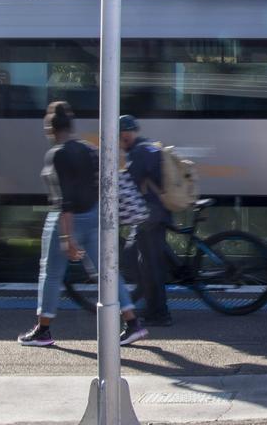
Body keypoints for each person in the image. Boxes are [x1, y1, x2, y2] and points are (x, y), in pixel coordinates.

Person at [19, 102, 147, 347]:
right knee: (107, 273)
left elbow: (65, 198)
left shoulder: (57, 154)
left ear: (50, 128)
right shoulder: (89, 149)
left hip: (67, 219)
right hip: (94, 214)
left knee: (51, 273)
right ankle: (133, 323)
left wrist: (67, 237)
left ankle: (43, 330)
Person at [120, 114, 172, 326]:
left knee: (150, 265)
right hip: (155, 213)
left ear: (125, 134)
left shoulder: (139, 152)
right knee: (143, 259)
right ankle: (151, 306)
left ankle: (159, 314)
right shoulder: (148, 147)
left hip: (150, 215)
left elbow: (130, 182)